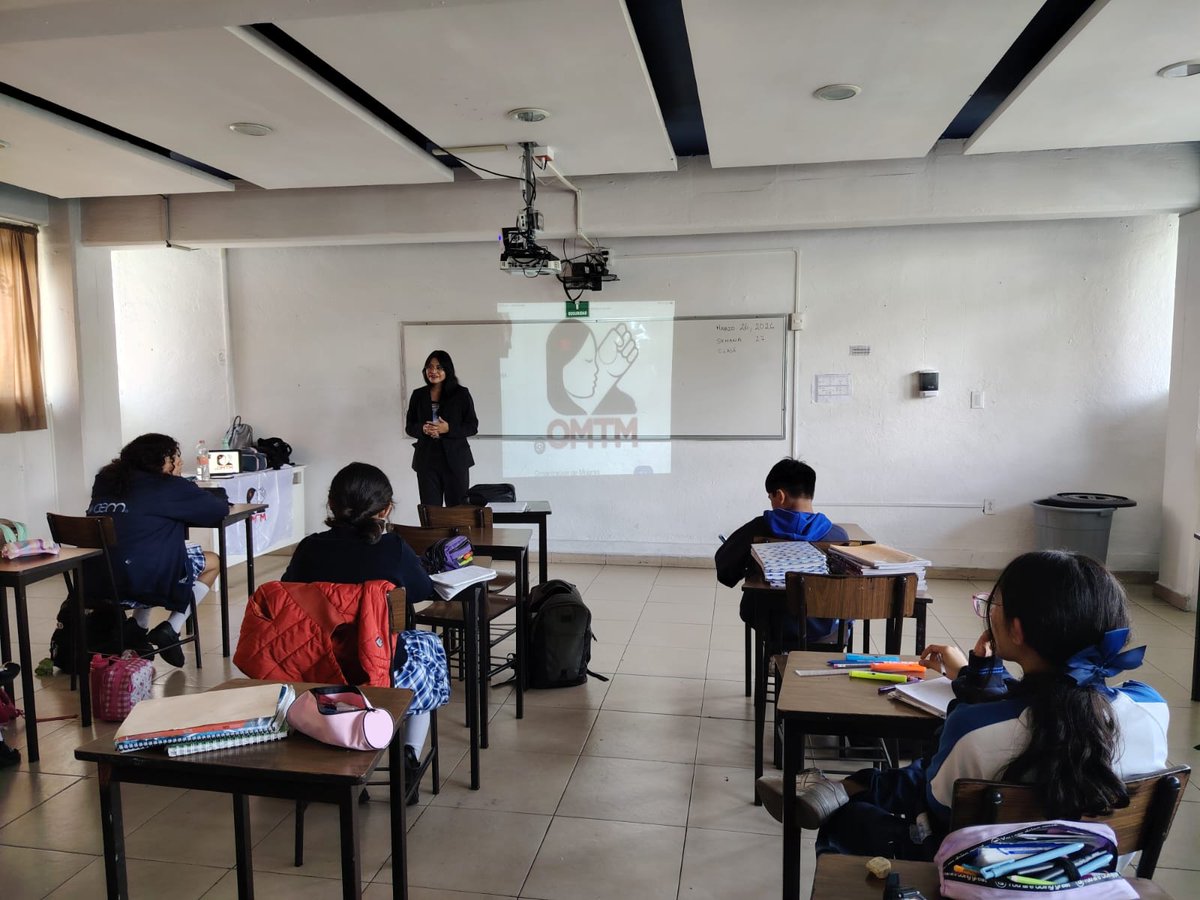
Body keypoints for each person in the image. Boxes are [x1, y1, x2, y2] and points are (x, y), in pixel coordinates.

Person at [765, 550, 1170, 862]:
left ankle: (844, 790)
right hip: (1091, 876)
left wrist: (974, 695)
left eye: (993, 604)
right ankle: (845, 786)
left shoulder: (976, 729)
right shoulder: (1152, 709)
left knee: (853, 819)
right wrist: (975, 676)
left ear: (1016, 629)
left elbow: (935, 803)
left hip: (978, 873)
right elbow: (1050, 702)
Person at [282, 462, 448, 803]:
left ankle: (344, 764)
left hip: (318, 666)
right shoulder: (393, 547)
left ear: (331, 504)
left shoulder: (309, 548)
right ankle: (409, 754)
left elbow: (288, 592)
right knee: (428, 648)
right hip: (381, 668)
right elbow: (421, 590)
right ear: (385, 510)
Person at [85, 433, 227, 666]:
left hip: (95, 581)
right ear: (159, 461)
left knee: (149, 551)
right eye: (174, 457)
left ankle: (137, 627)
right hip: (144, 581)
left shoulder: (105, 480)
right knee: (211, 561)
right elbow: (217, 510)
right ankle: (171, 628)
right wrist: (183, 484)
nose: (179, 461)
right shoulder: (166, 486)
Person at [716, 458, 849, 644]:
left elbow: (725, 569)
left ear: (780, 495)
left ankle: (774, 654)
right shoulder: (838, 536)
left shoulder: (757, 529)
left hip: (771, 625)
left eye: (770, 497)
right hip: (827, 629)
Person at [405, 350, 478, 507]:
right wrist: (423, 429)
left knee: (457, 511)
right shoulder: (418, 395)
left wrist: (448, 429)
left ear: (447, 370)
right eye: (429, 367)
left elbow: (472, 426)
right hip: (427, 461)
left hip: (456, 460)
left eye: (439, 367)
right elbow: (409, 427)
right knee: (430, 511)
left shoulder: (461, 394)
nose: (433, 371)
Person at [546, 319, 637, 416]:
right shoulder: (559, 407)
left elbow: (628, 409)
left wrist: (607, 379)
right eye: (588, 361)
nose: (596, 368)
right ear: (561, 364)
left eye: (595, 360)